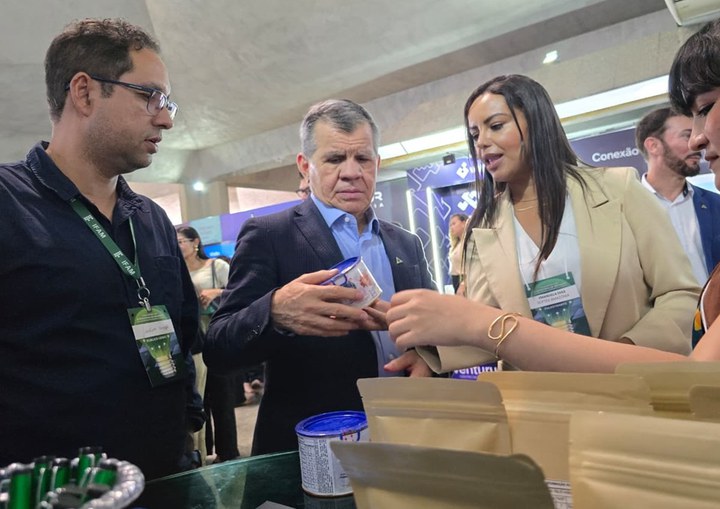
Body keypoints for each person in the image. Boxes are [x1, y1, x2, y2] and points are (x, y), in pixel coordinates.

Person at [387, 0, 720, 373]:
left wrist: (619, 357)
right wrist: (431, 353)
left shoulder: (618, 190)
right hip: (537, 406)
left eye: (496, 125)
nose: (482, 142)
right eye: (474, 134)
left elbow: (681, 296)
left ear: (536, 122)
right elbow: (484, 324)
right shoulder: (483, 228)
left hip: (631, 393)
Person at [0, 18, 203, 479]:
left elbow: (182, 337)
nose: (166, 118)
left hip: (168, 478)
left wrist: (187, 423)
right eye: (149, 96)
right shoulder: (8, 205)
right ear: (85, 92)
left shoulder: (150, 219)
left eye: (168, 102)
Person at [204, 99, 435, 455]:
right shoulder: (270, 236)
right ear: (304, 166)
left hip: (406, 433)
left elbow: (434, 326)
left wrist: (429, 356)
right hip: (314, 449)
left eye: (362, 159)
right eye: (334, 159)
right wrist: (275, 311)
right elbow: (219, 348)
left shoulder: (407, 242)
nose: (351, 172)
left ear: (377, 163)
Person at [635, 107, 720, 289]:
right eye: (686, 135)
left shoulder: (718, 205)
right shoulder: (625, 210)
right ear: (653, 145)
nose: (697, 144)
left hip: (719, 314)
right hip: (660, 316)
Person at [177, 226, 240, 463]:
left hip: (218, 338)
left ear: (195, 242)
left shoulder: (216, 266)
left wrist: (217, 293)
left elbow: (241, 292)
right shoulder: (177, 270)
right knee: (200, 400)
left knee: (222, 399)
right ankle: (207, 451)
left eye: (181, 240)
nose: (178, 245)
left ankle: (229, 452)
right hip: (194, 343)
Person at [447, 213, 468, 295]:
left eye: (454, 224)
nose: (451, 227)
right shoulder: (456, 244)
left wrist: (464, 283)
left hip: (464, 280)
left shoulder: (468, 242)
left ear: (463, 223)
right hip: (456, 280)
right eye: (450, 225)